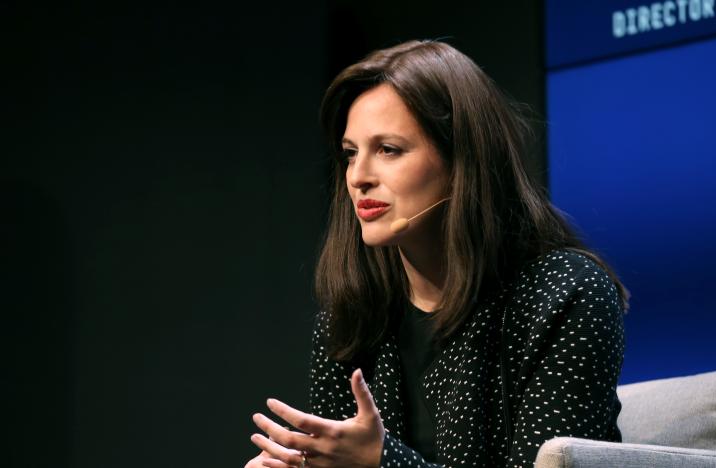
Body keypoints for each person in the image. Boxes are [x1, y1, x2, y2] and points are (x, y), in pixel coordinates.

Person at [244, 40, 628, 468]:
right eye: (350, 154)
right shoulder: (351, 315)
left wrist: (381, 461)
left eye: (388, 150)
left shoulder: (565, 294)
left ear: (461, 158)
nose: (359, 177)